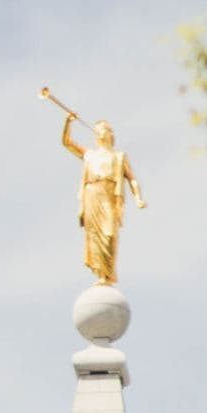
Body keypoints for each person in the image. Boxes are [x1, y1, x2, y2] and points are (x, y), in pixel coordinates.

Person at [61, 111, 145, 285]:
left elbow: (131, 178)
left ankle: (108, 273)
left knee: (109, 234)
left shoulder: (118, 156)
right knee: (93, 235)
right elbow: (67, 142)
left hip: (109, 194)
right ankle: (101, 274)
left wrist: (138, 197)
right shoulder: (89, 154)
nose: (99, 132)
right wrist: (68, 123)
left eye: (103, 129)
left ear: (110, 134)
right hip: (92, 193)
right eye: (97, 129)